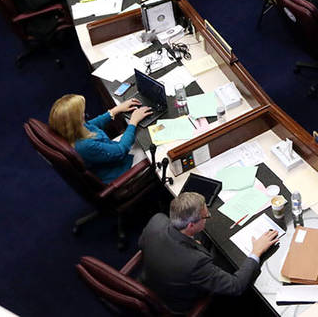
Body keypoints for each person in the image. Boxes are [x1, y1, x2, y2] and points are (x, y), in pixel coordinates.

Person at [139, 192, 278, 313]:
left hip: (151, 278)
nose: (208, 217)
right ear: (191, 225)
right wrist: (256, 251)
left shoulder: (157, 220)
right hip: (177, 302)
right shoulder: (195, 262)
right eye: (206, 216)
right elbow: (236, 286)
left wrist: (191, 242)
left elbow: (142, 244)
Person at [47, 93, 152, 184]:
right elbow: (120, 151)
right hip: (120, 170)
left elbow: (93, 124)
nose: (84, 114)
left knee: (137, 135)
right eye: (81, 114)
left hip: (110, 154)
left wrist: (115, 110)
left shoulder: (73, 131)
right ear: (75, 122)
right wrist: (133, 122)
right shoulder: (85, 146)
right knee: (152, 146)